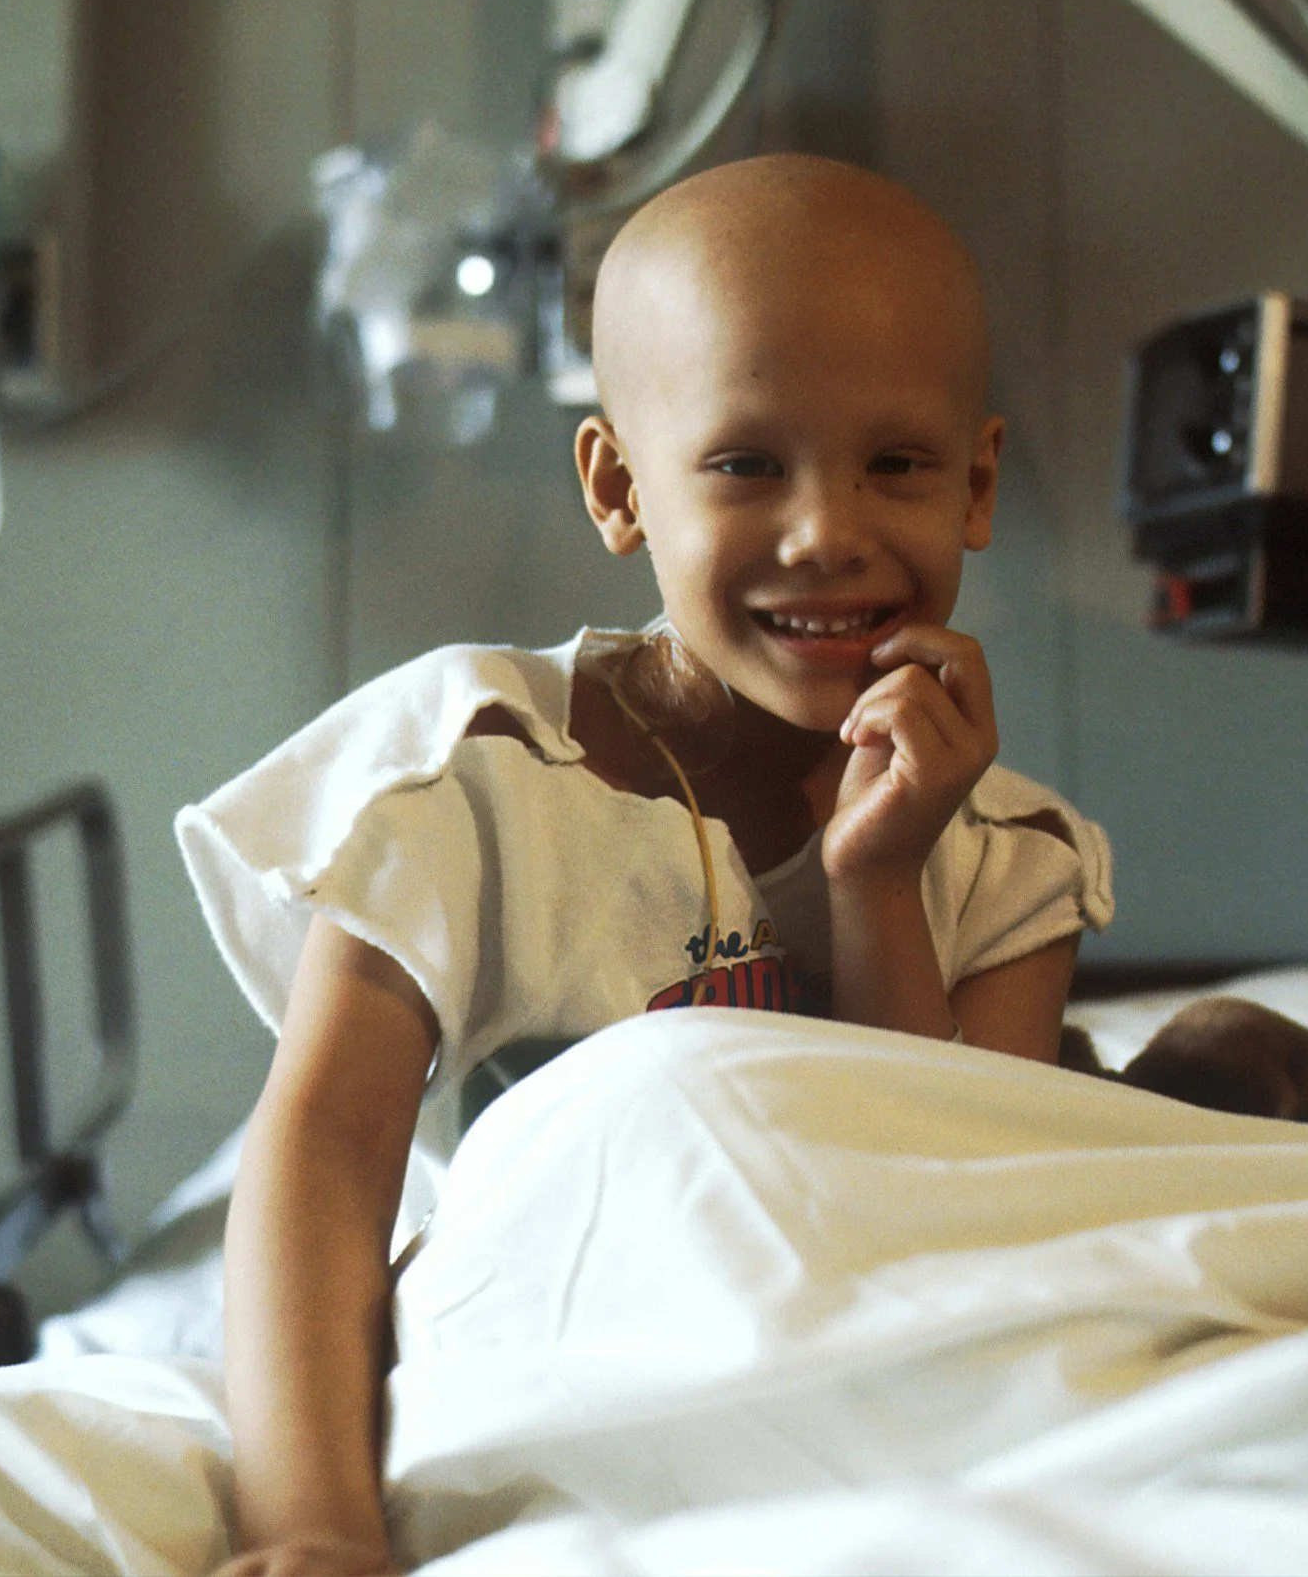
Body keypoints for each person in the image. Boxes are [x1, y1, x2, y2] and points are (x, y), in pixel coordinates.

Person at [185, 154, 1112, 1576]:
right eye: (747, 463)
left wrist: (876, 882)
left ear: (976, 483)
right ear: (618, 485)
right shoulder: (467, 774)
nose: (830, 532)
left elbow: (944, 1234)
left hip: (845, 1430)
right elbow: (326, 1151)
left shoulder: (1003, 865)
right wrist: (313, 1522)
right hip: (551, 1361)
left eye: (899, 465)